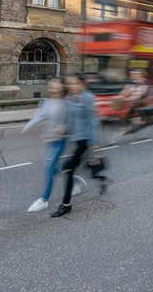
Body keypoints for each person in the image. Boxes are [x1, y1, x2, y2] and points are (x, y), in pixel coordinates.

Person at [51, 73, 100, 218]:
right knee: (72, 170)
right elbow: (70, 119)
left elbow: (92, 121)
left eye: (74, 83)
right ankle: (100, 179)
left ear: (82, 85)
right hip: (76, 140)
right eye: (69, 84)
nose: (71, 86)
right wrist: (63, 127)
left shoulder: (88, 98)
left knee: (67, 168)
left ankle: (65, 205)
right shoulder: (70, 99)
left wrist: (94, 144)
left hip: (85, 141)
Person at [22, 78, 68, 213]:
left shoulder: (66, 103)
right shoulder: (46, 102)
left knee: (48, 167)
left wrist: (64, 127)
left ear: (61, 88)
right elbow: (39, 116)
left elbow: (71, 121)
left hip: (60, 140)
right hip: (49, 140)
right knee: (53, 168)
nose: (53, 88)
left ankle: (44, 199)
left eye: (56, 86)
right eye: (51, 86)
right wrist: (27, 126)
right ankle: (73, 179)